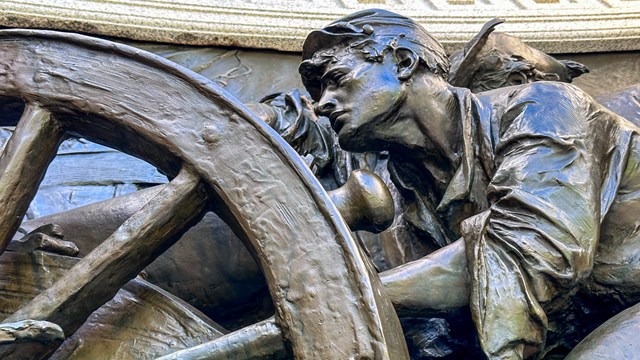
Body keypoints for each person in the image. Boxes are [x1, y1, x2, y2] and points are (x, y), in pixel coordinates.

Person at [299, 9, 640, 359]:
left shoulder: (543, 107)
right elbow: (438, 332)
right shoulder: (405, 189)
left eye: (336, 79)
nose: (322, 103)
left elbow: (533, 246)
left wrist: (345, 297)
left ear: (402, 62)